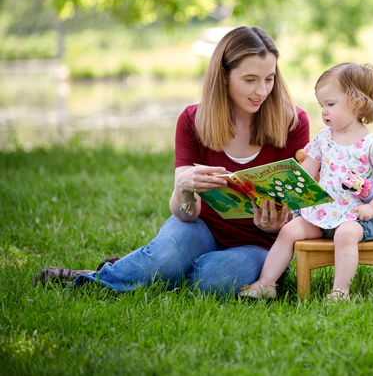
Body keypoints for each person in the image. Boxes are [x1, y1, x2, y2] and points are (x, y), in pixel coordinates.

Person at [33, 26, 310, 297]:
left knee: (212, 281)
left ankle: (144, 268)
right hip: (201, 228)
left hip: (261, 245)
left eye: (269, 79)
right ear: (224, 75)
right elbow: (185, 214)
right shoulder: (193, 121)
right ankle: (99, 279)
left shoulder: (292, 122)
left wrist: (279, 222)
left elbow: (298, 208)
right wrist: (184, 188)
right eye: (250, 80)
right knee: (168, 258)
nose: (261, 91)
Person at [237, 62, 373, 301]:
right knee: (290, 230)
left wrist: (372, 208)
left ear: (356, 103)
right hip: (323, 214)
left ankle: (341, 290)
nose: (324, 111)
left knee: (345, 234)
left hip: (358, 217)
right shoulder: (323, 139)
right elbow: (302, 175)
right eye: (322, 105)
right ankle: (265, 284)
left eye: (330, 104)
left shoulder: (370, 143)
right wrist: (277, 195)